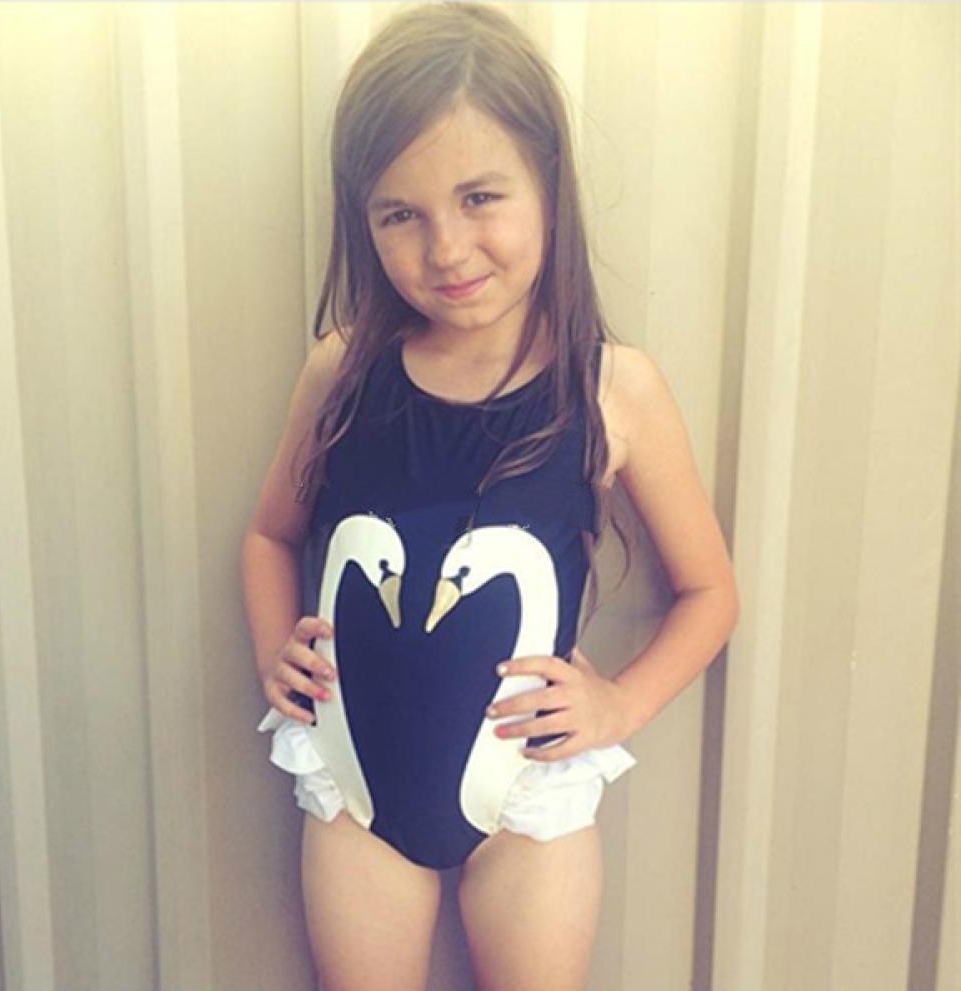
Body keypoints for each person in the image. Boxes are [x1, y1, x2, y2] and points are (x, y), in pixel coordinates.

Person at [240, 3, 739, 989]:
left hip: (528, 806)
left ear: (548, 184)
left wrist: (618, 702)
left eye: (479, 198)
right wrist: (271, 651)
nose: (447, 248)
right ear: (363, 218)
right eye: (401, 214)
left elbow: (710, 592)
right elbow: (268, 535)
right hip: (356, 785)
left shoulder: (612, 387)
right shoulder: (342, 370)